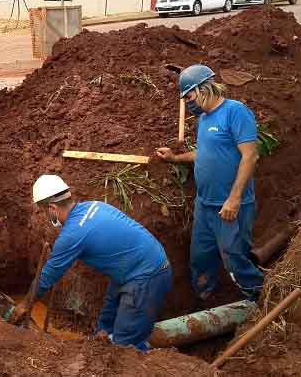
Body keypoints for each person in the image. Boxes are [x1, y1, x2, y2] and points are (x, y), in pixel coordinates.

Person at [18, 175, 172, 351]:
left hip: (148, 276)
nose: (46, 216)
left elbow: (47, 277)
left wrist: (24, 305)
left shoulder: (72, 235)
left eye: (44, 211)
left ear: (52, 208)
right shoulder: (95, 206)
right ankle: (96, 353)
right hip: (134, 267)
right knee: (105, 325)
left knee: (124, 349)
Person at [155, 64, 263, 302]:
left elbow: (250, 155)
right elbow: (203, 153)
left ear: (205, 88)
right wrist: (174, 158)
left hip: (232, 207)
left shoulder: (236, 112)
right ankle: (204, 299)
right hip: (204, 205)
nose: (188, 102)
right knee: (200, 258)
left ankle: (257, 300)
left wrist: (234, 199)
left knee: (234, 258)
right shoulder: (203, 119)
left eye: (190, 96)